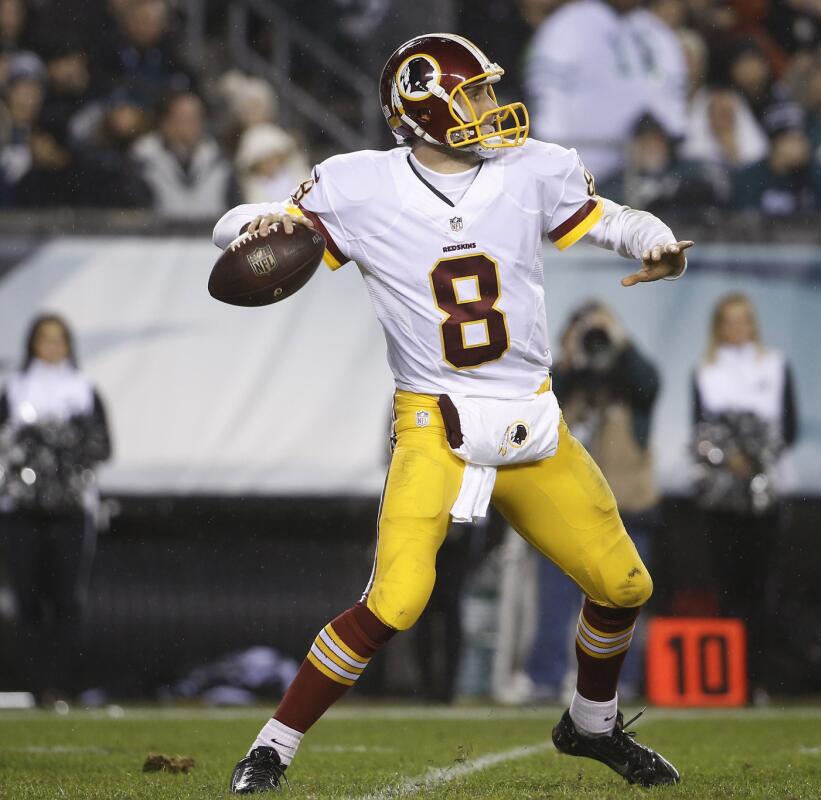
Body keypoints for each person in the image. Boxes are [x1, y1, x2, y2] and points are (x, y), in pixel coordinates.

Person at [212, 33, 689, 792]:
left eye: (487, 92)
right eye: (474, 95)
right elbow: (250, 227)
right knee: (396, 599)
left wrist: (653, 239)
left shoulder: (531, 169)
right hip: (436, 424)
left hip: (532, 421)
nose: (491, 107)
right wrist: (249, 227)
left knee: (625, 584)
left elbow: (606, 216)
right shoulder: (358, 185)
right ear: (425, 107)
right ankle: (272, 745)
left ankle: (591, 725)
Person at [526, 301, 661, 702]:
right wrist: (570, 358)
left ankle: (623, 681)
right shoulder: (566, 379)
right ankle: (546, 679)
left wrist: (620, 344)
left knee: (626, 595)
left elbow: (650, 384)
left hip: (629, 506)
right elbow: (540, 404)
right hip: (566, 510)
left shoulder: (632, 380)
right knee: (554, 598)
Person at [0, 314, 111, 703]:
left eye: (58, 339)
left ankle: (63, 687)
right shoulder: (14, 388)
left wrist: (62, 447)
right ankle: (34, 686)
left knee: (66, 599)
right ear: (32, 343)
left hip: (70, 510)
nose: (51, 346)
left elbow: (103, 446)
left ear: (68, 344)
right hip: (21, 510)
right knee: (27, 600)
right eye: (44, 338)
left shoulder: (83, 390)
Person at [692, 293, 798, 699]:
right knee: (727, 585)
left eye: (743, 320)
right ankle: (729, 679)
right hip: (722, 498)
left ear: (753, 324)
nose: (737, 328)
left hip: (768, 492)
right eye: (728, 321)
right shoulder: (705, 372)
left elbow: (789, 426)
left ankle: (762, 680)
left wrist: (755, 459)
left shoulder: (774, 365)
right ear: (718, 327)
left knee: (764, 587)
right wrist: (727, 459)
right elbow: (700, 431)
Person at [525, 0, 687, 183]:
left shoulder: (655, 30)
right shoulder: (567, 26)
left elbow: (676, 103)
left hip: (656, 169)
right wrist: (558, 167)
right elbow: (547, 105)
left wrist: (664, 133)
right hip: (590, 173)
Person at [132, 90, 234, 219]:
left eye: (196, 118)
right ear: (165, 122)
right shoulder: (143, 160)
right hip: (158, 237)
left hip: (209, 236)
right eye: (184, 118)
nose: (193, 124)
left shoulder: (221, 161)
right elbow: (136, 212)